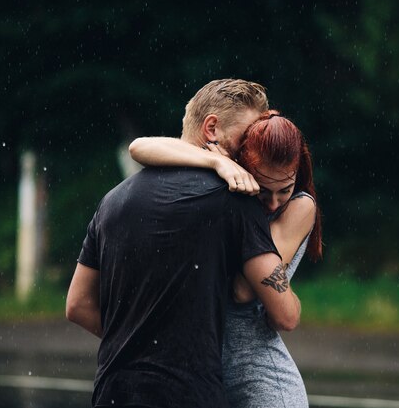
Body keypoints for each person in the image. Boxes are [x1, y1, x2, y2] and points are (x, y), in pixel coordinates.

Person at [66, 79, 302, 408]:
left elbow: (77, 305)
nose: (253, 151)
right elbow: (285, 314)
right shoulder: (235, 200)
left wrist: (140, 349)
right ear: (212, 129)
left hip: (113, 391)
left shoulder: (113, 201)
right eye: (246, 139)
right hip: (188, 394)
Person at [128, 110, 322, 408]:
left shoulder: (299, 208)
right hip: (208, 378)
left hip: (262, 382)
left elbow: (243, 290)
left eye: (285, 189)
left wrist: (292, 303)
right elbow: (139, 147)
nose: (273, 203)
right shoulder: (230, 186)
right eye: (264, 189)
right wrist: (215, 161)